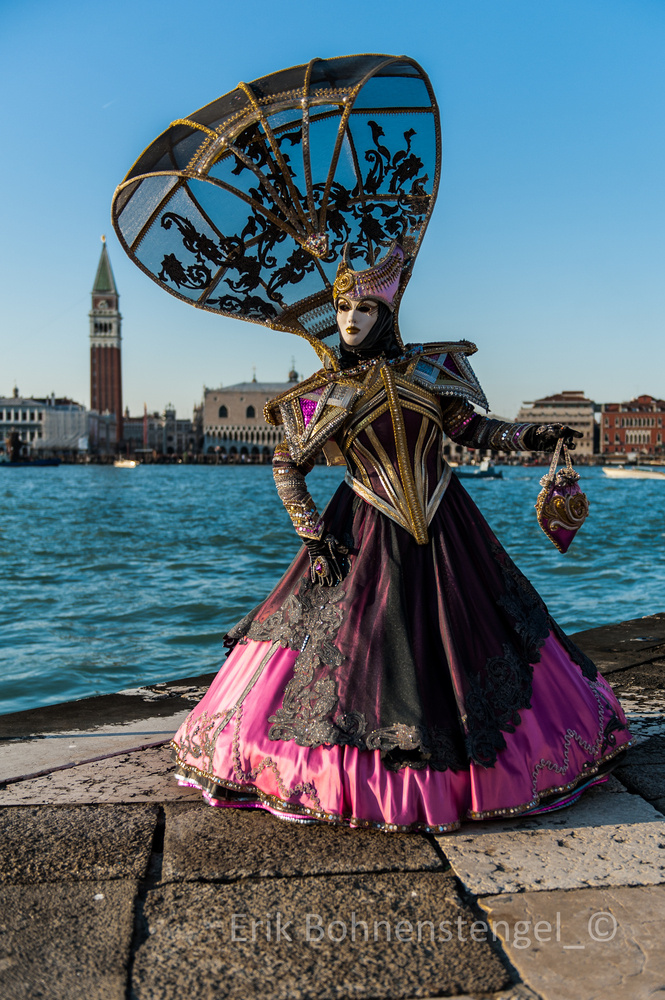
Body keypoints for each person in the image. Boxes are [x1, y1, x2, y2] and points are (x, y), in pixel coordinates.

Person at [171, 243, 631, 832]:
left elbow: (474, 428)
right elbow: (286, 462)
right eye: (343, 310)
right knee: (362, 649)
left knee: (478, 638)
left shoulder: (430, 371)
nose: (351, 321)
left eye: (365, 310)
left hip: (447, 524)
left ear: (386, 316)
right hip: (361, 529)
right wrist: (311, 532)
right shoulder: (328, 390)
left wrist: (530, 437)